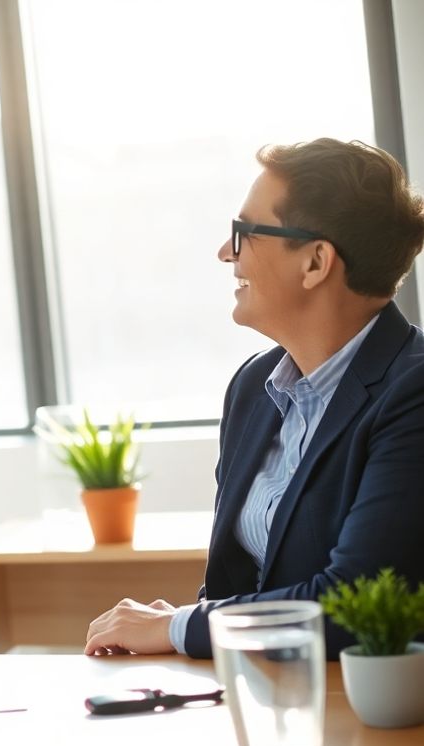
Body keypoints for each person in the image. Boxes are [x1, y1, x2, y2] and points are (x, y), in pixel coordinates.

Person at [85, 138, 424, 660]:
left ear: (315, 262)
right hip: (260, 691)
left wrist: (179, 627)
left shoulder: (413, 392)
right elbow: (234, 584)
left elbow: (351, 604)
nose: (227, 252)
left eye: (245, 233)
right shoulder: (254, 387)